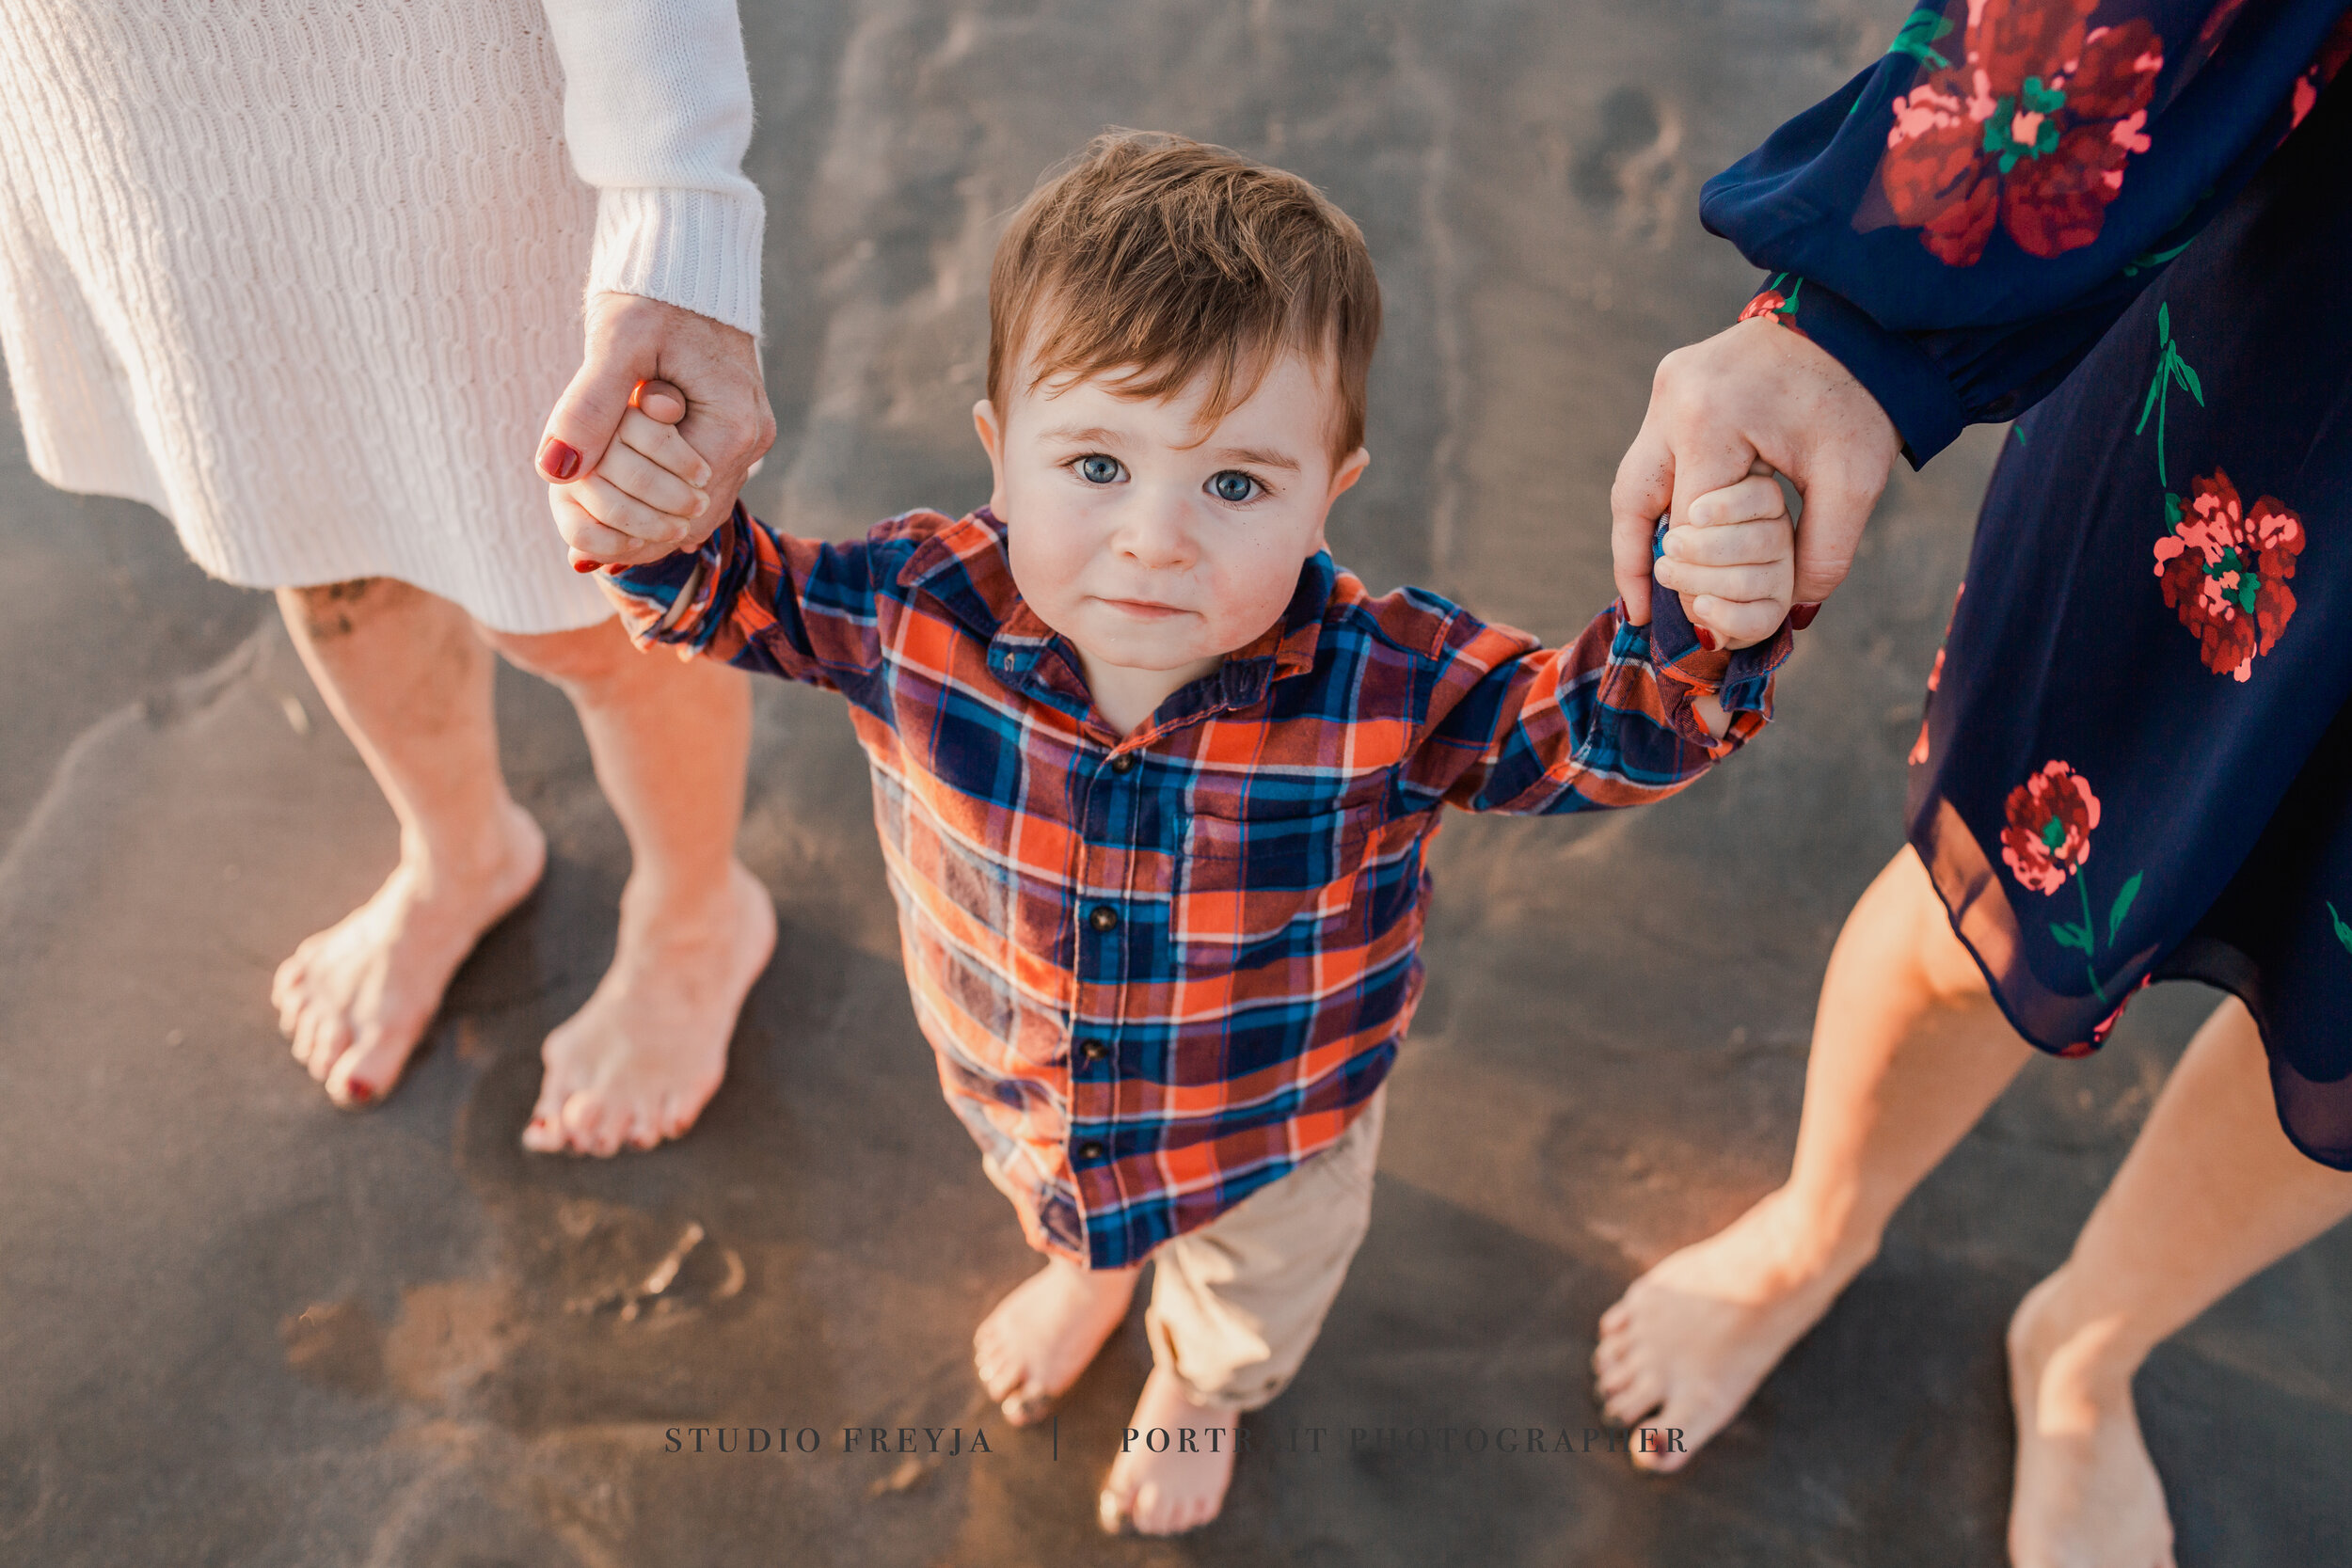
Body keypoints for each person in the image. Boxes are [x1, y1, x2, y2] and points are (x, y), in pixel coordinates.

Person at [567, 132, 1801, 1534]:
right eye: (1095, 462)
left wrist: (1708, 621)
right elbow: (733, 595)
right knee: (1059, 1202)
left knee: (1245, 1296)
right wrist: (652, 516)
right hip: (1020, 1079)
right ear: (1000, 447)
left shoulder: (1383, 682)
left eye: (1234, 485)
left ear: (1332, 485)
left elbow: (1599, 734)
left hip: (1273, 1118)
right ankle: (1094, 1265)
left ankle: (1196, 1387)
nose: (1155, 536)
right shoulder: (919, 604)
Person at [1590, 2, 2352, 1562]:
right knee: (2017, 876)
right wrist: (1860, 322)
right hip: (2301, 398)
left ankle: (2088, 1345)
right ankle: (1818, 1224)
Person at [0, 0, 778, 1155]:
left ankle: (695, 914)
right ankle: (458, 847)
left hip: (438, 138)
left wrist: (678, 204)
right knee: (317, 547)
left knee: (585, 597)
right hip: (127, 134)